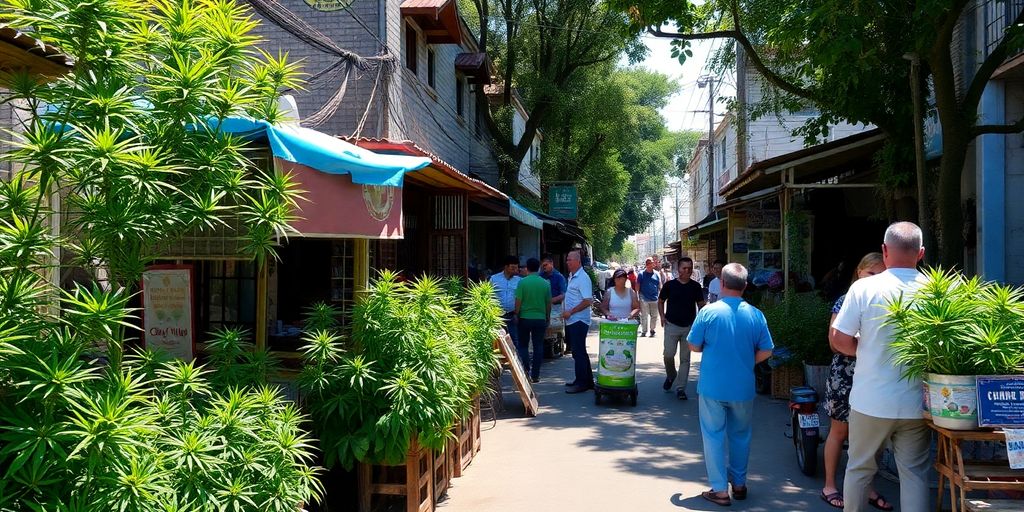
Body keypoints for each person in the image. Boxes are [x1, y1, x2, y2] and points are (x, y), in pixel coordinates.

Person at [832, 222, 930, 512]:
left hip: (869, 400)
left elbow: (839, 338)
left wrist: (865, 352)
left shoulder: (864, 287)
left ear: (885, 251)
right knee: (914, 474)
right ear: (921, 253)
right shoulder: (938, 291)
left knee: (860, 469)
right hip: (918, 402)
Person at [687, 263, 774, 507]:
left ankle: (719, 489)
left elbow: (693, 345)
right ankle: (739, 484)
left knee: (713, 436)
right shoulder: (756, 314)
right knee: (740, 435)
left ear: (722, 283)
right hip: (743, 387)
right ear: (745, 286)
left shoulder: (708, 312)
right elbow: (766, 350)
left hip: (713, 386)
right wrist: (747, 360)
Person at [820, 252, 892, 510]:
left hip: (875, 375)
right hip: (846, 375)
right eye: (871, 273)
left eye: (881, 273)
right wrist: (871, 348)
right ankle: (829, 484)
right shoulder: (845, 300)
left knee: (873, 437)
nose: (876, 278)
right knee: (839, 432)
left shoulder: (888, 301)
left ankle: (867, 487)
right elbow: (834, 342)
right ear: (858, 273)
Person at [657, 257, 706, 399]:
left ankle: (680, 388)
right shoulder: (670, 285)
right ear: (678, 269)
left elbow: (701, 305)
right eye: (684, 268)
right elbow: (660, 301)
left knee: (685, 359)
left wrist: (702, 321)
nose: (687, 271)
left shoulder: (696, 286)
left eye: (690, 268)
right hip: (671, 325)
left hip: (689, 327)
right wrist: (662, 316)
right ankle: (671, 375)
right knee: (668, 355)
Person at [515, 258, 552, 384]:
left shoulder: (522, 283)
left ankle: (525, 371)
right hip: (540, 318)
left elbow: (518, 301)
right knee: (538, 346)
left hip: (525, 318)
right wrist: (547, 316)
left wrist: (516, 313)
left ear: (527, 268)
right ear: (539, 268)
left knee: (523, 345)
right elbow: (548, 303)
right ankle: (535, 375)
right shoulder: (545, 283)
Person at [562, 250, 594, 394]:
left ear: (577, 261)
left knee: (578, 351)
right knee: (579, 351)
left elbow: (588, 301)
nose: (567, 262)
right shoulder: (572, 276)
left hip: (579, 320)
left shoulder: (582, 278)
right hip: (573, 320)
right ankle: (586, 380)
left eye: (569, 259)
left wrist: (571, 311)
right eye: (567, 259)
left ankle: (582, 383)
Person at [490, 256, 521, 345]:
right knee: (499, 341)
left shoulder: (519, 280)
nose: (515, 270)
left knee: (514, 339)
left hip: (513, 315)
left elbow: (520, 298)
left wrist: (517, 314)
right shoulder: (494, 279)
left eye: (516, 268)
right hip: (498, 315)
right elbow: (490, 295)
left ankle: (516, 358)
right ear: (506, 267)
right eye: (512, 268)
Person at [636, 258, 662, 337]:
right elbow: (637, 286)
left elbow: (659, 285)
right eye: (648, 263)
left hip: (654, 298)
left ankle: (652, 330)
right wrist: (637, 297)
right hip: (644, 298)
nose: (650, 265)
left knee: (654, 315)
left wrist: (661, 295)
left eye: (651, 263)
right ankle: (644, 331)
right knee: (644, 315)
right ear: (646, 265)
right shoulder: (641, 274)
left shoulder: (657, 274)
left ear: (653, 264)